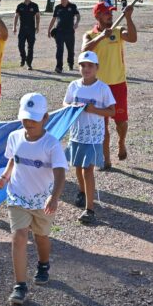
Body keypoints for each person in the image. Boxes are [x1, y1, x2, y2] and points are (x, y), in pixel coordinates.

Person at [0, 93, 66, 306]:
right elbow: (13, 160)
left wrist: (54, 196)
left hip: (42, 201)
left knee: (41, 237)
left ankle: (43, 264)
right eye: (25, 118)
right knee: (19, 237)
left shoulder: (51, 144)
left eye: (34, 118)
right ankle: (20, 286)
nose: (29, 123)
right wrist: (5, 178)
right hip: (17, 196)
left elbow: (60, 174)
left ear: (45, 118)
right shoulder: (14, 137)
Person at [82, 1, 137, 169]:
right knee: (102, 126)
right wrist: (101, 36)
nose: (110, 15)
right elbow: (84, 50)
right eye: (106, 13)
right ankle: (106, 160)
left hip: (118, 84)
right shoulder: (90, 35)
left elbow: (133, 38)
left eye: (111, 12)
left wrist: (128, 18)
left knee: (121, 122)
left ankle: (121, 142)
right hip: (99, 87)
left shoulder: (118, 31)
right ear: (97, 16)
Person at [63, 51, 116, 224]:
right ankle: (82, 191)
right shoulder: (74, 85)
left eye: (90, 65)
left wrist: (94, 110)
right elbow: (65, 103)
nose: (86, 69)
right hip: (77, 134)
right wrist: (71, 106)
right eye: (83, 65)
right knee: (77, 167)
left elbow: (112, 110)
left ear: (97, 68)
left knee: (88, 170)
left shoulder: (102, 88)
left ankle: (90, 209)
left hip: (93, 137)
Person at [46, 0, 81, 73]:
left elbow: (78, 16)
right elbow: (53, 19)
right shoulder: (57, 7)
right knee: (59, 50)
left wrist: (76, 23)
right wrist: (49, 30)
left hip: (70, 32)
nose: (63, 0)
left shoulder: (72, 6)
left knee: (70, 50)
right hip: (59, 32)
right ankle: (59, 67)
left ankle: (70, 63)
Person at [12, 0, 41, 70]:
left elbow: (37, 16)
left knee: (30, 47)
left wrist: (37, 26)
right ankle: (23, 58)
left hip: (31, 29)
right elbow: (16, 16)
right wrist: (14, 27)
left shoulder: (34, 5)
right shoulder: (20, 6)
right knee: (20, 45)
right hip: (22, 29)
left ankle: (29, 63)